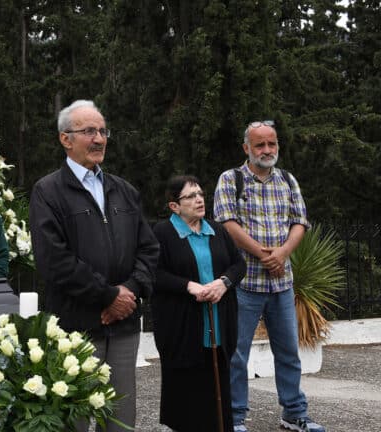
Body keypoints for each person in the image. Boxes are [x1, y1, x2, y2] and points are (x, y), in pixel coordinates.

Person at [29, 99, 159, 431]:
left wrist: (128, 293)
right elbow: (54, 261)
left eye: (102, 131)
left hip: (125, 325)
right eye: (89, 131)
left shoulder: (124, 190)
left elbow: (149, 249)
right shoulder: (47, 192)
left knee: (120, 420)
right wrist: (106, 296)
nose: (99, 139)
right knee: (74, 419)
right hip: (77, 326)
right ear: (65, 138)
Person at [213, 120, 324, 432]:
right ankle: (234, 419)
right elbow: (227, 223)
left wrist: (283, 253)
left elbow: (300, 221)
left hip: (282, 284)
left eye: (271, 144)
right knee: (237, 355)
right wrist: (265, 255)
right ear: (246, 148)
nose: (266, 150)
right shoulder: (230, 179)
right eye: (259, 145)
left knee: (289, 353)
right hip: (245, 284)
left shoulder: (287, 180)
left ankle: (294, 414)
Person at [152, 175, 246, 432]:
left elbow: (239, 264)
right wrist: (188, 286)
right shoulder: (162, 233)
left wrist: (223, 282)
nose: (199, 200)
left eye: (201, 194)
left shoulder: (217, 230)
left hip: (218, 322)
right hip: (182, 328)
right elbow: (154, 273)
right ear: (174, 206)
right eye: (191, 196)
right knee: (187, 394)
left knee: (217, 391)